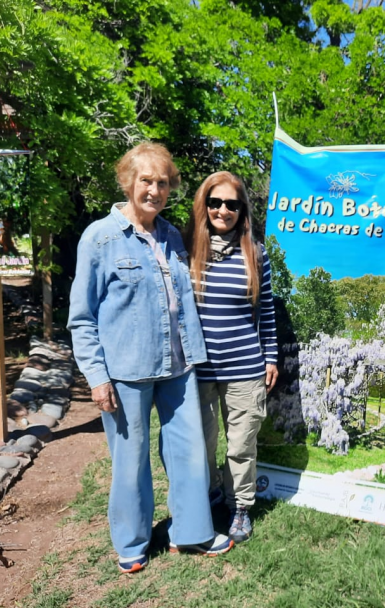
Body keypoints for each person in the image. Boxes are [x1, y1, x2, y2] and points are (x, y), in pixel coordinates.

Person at [68, 143, 233, 574]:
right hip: (126, 370)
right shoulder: (100, 238)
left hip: (178, 365)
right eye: (146, 181)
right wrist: (96, 377)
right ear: (128, 182)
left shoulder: (172, 235)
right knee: (130, 457)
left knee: (189, 450)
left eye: (162, 183)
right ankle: (132, 542)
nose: (155, 190)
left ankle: (191, 533)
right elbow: (82, 317)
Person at [187, 171, 279, 544]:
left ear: (242, 210)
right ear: (204, 205)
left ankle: (239, 505)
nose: (222, 210)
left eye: (231, 204)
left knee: (241, 444)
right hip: (198, 369)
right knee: (202, 441)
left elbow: (267, 311)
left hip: (245, 367)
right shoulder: (187, 249)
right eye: (215, 202)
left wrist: (270, 356)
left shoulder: (255, 254)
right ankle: (210, 497)